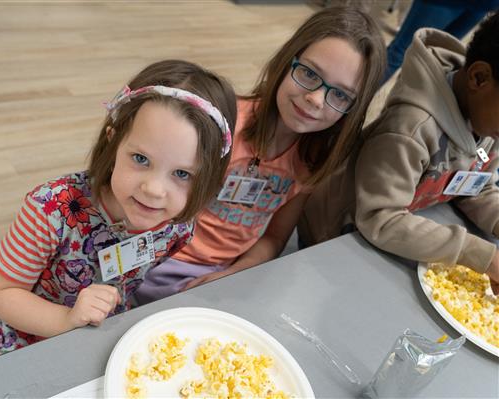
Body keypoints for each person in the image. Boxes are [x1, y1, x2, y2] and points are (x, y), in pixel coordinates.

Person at [0, 60, 237, 362]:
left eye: (182, 174)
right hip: (26, 337)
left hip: (104, 329)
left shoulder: (177, 226)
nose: (154, 189)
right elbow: (2, 295)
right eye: (140, 158)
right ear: (113, 142)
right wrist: (67, 320)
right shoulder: (49, 210)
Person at [135, 7, 386, 303]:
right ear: (286, 61)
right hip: (155, 255)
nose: (316, 99)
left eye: (341, 95)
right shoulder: (222, 126)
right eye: (309, 73)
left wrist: (230, 275)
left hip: (224, 273)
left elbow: (274, 238)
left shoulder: (312, 163)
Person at [297, 11, 499, 292]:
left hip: (393, 234)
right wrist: (480, 255)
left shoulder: (487, 123)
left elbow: (476, 186)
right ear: (479, 78)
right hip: (335, 234)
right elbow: (380, 218)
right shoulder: (410, 128)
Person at [383, 0, 499, 84]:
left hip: (484, 5)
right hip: (443, 2)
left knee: (431, 60)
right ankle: (364, 95)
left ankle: (395, 111)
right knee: (400, 52)